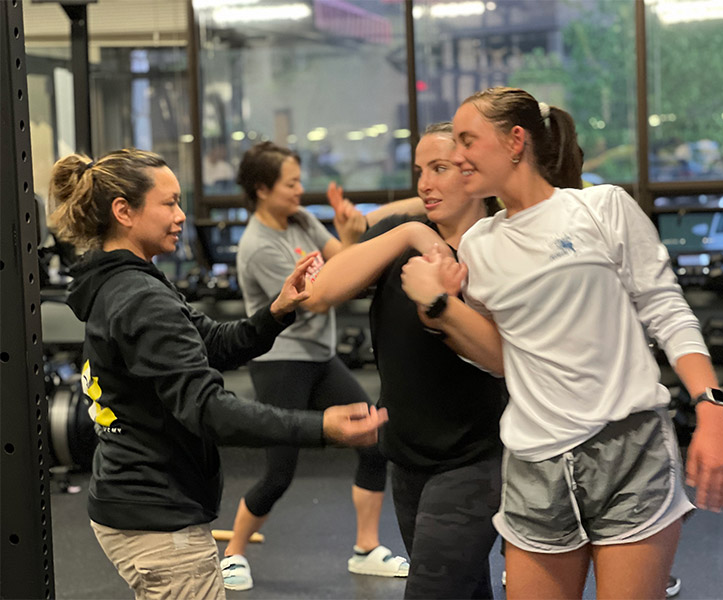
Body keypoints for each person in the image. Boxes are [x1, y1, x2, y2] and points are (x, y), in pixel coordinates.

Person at [399, 87, 723, 600]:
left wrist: (711, 409)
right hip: (534, 465)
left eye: (468, 140)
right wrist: (442, 307)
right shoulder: (478, 245)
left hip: (628, 451)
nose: (458, 154)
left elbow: (667, 311)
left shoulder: (601, 207)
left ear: (516, 141)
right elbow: (503, 360)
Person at [47, 148, 388, 600]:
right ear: (124, 212)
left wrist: (276, 312)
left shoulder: (129, 282)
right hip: (158, 517)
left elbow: (211, 343)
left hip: (137, 501)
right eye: (169, 203)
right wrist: (320, 427)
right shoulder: (140, 297)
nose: (181, 216)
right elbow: (208, 410)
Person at [305, 123, 507, 599]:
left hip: (474, 458)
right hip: (408, 456)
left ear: (473, 172)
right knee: (466, 590)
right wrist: (412, 230)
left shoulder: (498, 247)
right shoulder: (402, 237)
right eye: (420, 171)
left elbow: (500, 356)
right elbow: (317, 293)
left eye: (440, 169)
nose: (425, 184)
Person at [221, 141, 409, 590]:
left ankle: (366, 548)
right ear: (262, 189)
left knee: (372, 440)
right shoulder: (257, 246)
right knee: (280, 472)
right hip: (281, 362)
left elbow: (343, 257)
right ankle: (233, 553)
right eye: (290, 184)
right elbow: (317, 301)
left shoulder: (301, 219)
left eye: (299, 181)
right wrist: (350, 258)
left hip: (321, 357)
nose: (299, 191)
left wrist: (348, 238)